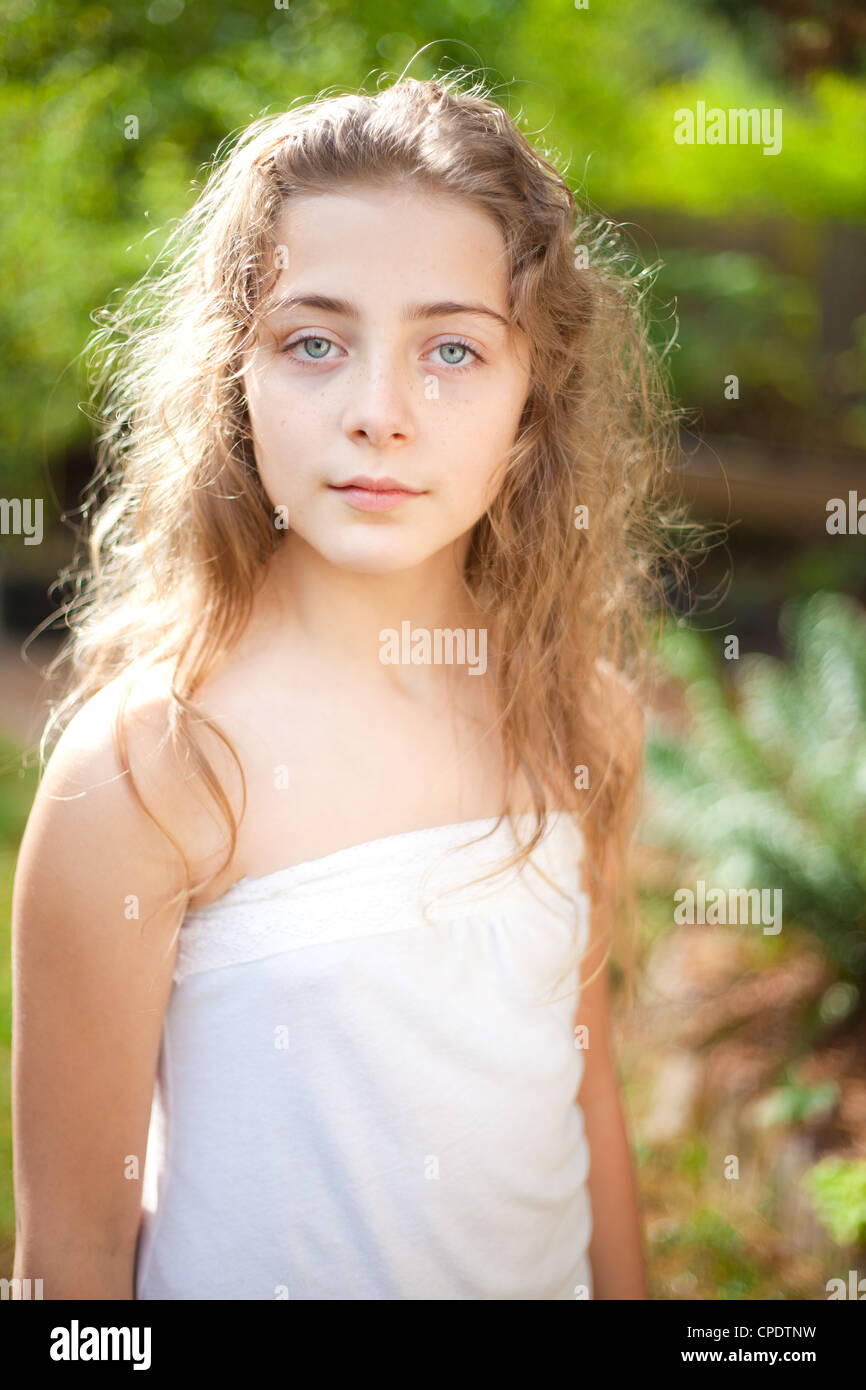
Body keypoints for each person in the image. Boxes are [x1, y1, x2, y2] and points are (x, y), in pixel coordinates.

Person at [11, 71, 682, 1300]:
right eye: (313, 342)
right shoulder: (153, 770)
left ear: (533, 401)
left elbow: (584, 1101)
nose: (379, 412)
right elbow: (71, 1260)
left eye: (453, 349)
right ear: (237, 381)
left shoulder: (577, 715)